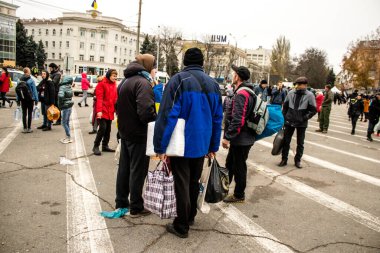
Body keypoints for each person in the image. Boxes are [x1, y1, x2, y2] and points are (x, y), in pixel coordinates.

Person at [154, 48, 223, 238]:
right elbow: (218, 118)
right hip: (202, 143)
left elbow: (168, 115)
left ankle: (181, 225)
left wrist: (160, 146)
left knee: (182, 183)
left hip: (181, 144)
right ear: (202, 62)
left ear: (185, 61)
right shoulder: (213, 84)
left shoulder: (178, 80)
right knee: (193, 181)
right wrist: (213, 146)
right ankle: (190, 215)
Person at [115, 54, 157, 219]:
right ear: (147, 67)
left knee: (124, 170)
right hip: (139, 134)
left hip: (125, 132)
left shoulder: (126, 81)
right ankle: (136, 207)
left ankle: (121, 202)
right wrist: (156, 118)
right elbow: (146, 112)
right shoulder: (143, 83)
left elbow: (118, 106)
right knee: (138, 171)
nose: (155, 71)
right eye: (154, 67)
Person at [222, 65, 256, 203]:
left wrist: (227, 137)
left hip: (241, 138)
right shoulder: (247, 91)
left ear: (237, 76)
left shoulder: (242, 93)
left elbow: (238, 119)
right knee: (231, 163)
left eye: (234, 73)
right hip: (243, 137)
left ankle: (239, 194)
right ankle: (223, 188)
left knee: (239, 166)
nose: (232, 75)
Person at [279, 77, 317, 168]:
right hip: (289, 121)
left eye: (300, 85)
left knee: (300, 143)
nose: (298, 86)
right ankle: (284, 159)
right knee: (286, 141)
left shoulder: (310, 95)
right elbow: (285, 107)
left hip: (301, 123)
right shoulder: (291, 93)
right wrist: (284, 119)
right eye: (297, 85)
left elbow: (313, 110)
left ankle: (298, 160)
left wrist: (304, 118)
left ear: (305, 85)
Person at [92, 69, 118, 155]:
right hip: (102, 110)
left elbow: (115, 98)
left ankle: (105, 146)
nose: (115, 77)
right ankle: (95, 146)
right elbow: (99, 99)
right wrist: (99, 111)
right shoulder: (102, 84)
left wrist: (117, 110)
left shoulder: (114, 85)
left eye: (116, 76)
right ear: (109, 75)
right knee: (102, 128)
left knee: (108, 129)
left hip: (110, 111)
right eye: (113, 76)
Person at [17, 68, 39, 133]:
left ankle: (24, 128)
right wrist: (36, 99)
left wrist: (18, 99)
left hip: (23, 99)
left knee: (24, 113)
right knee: (30, 113)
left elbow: (18, 91)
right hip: (30, 99)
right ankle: (29, 128)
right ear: (28, 72)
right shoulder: (31, 80)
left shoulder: (19, 80)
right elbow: (34, 91)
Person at [58, 76, 74, 143]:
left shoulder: (62, 87)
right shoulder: (69, 86)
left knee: (64, 122)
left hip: (65, 106)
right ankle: (68, 136)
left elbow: (60, 96)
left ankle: (68, 137)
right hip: (69, 105)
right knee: (66, 122)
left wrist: (60, 103)